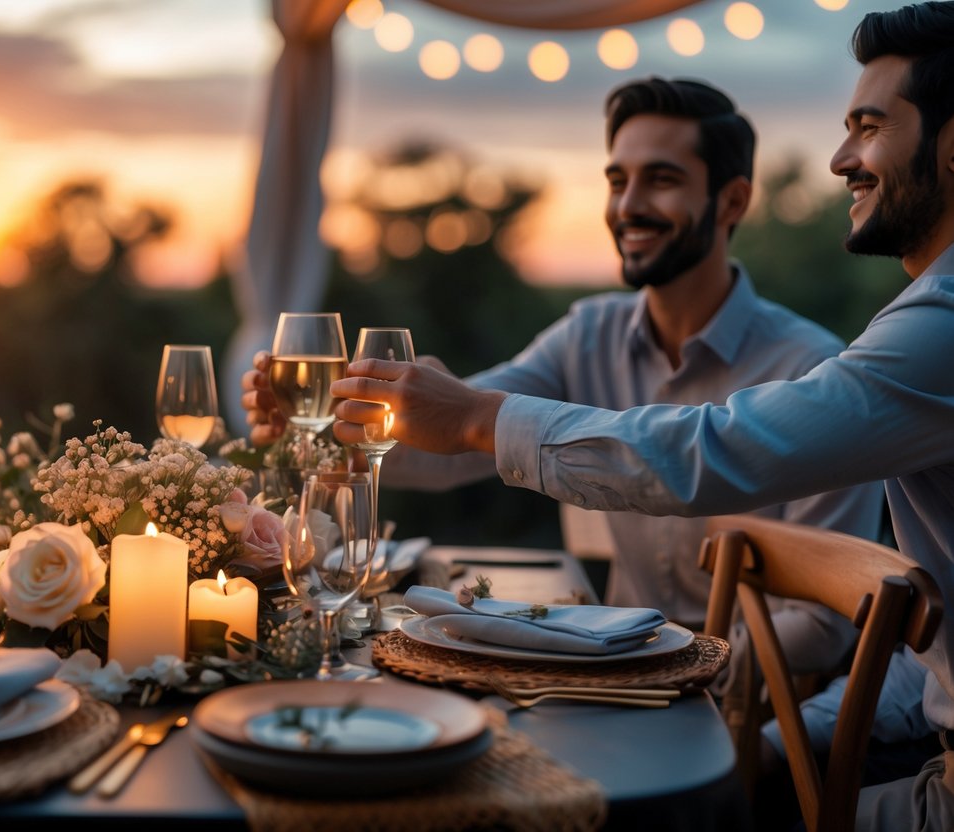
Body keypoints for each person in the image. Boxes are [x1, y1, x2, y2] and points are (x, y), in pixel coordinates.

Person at [330, 4, 954, 828]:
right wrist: (346, 425)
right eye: (616, 180)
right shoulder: (589, 329)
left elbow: (715, 453)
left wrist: (482, 416)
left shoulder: (925, 331)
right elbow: (933, 654)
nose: (841, 159)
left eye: (869, 128)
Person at [244, 77, 883, 681]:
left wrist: (689, 674)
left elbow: (823, 625)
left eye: (661, 180)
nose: (629, 206)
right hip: (607, 679)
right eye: (617, 180)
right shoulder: (589, 333)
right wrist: (324, 426)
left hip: (747, 712)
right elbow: (456, 444)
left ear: (733, 199)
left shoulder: (809, 365)